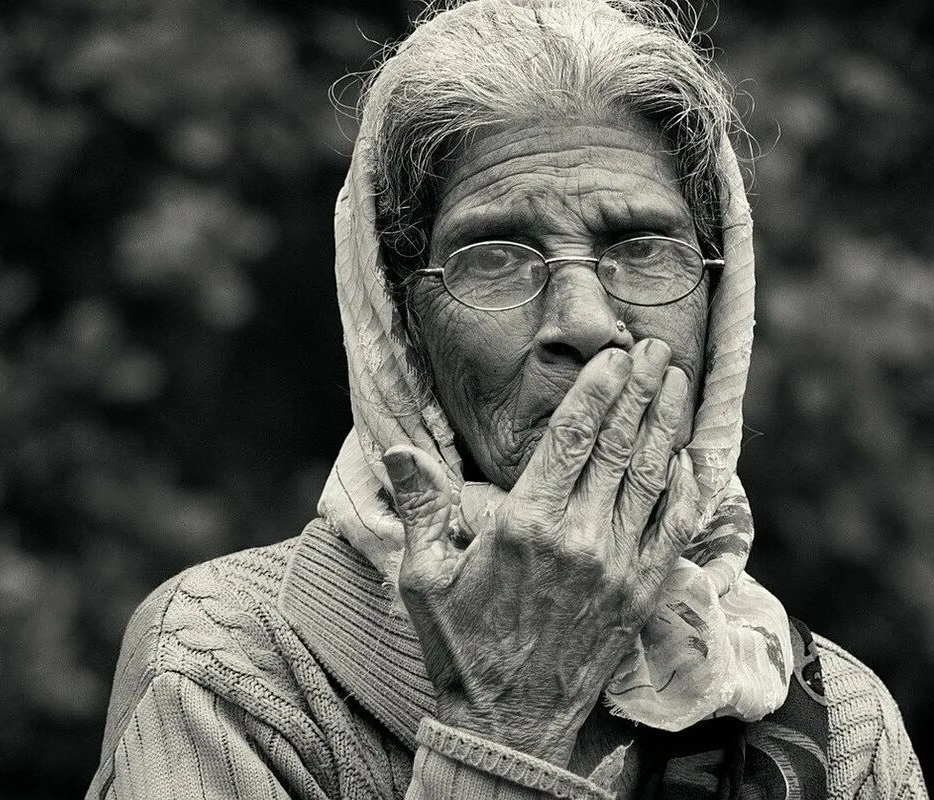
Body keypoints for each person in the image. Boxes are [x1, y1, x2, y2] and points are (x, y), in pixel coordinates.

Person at [86, 1, 928, 797]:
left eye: (642, 249)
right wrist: (506, 723)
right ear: (401, 325)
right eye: (495, 256)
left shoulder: (840, 726)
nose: (588, 324)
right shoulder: (228, 668)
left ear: (720, 301)